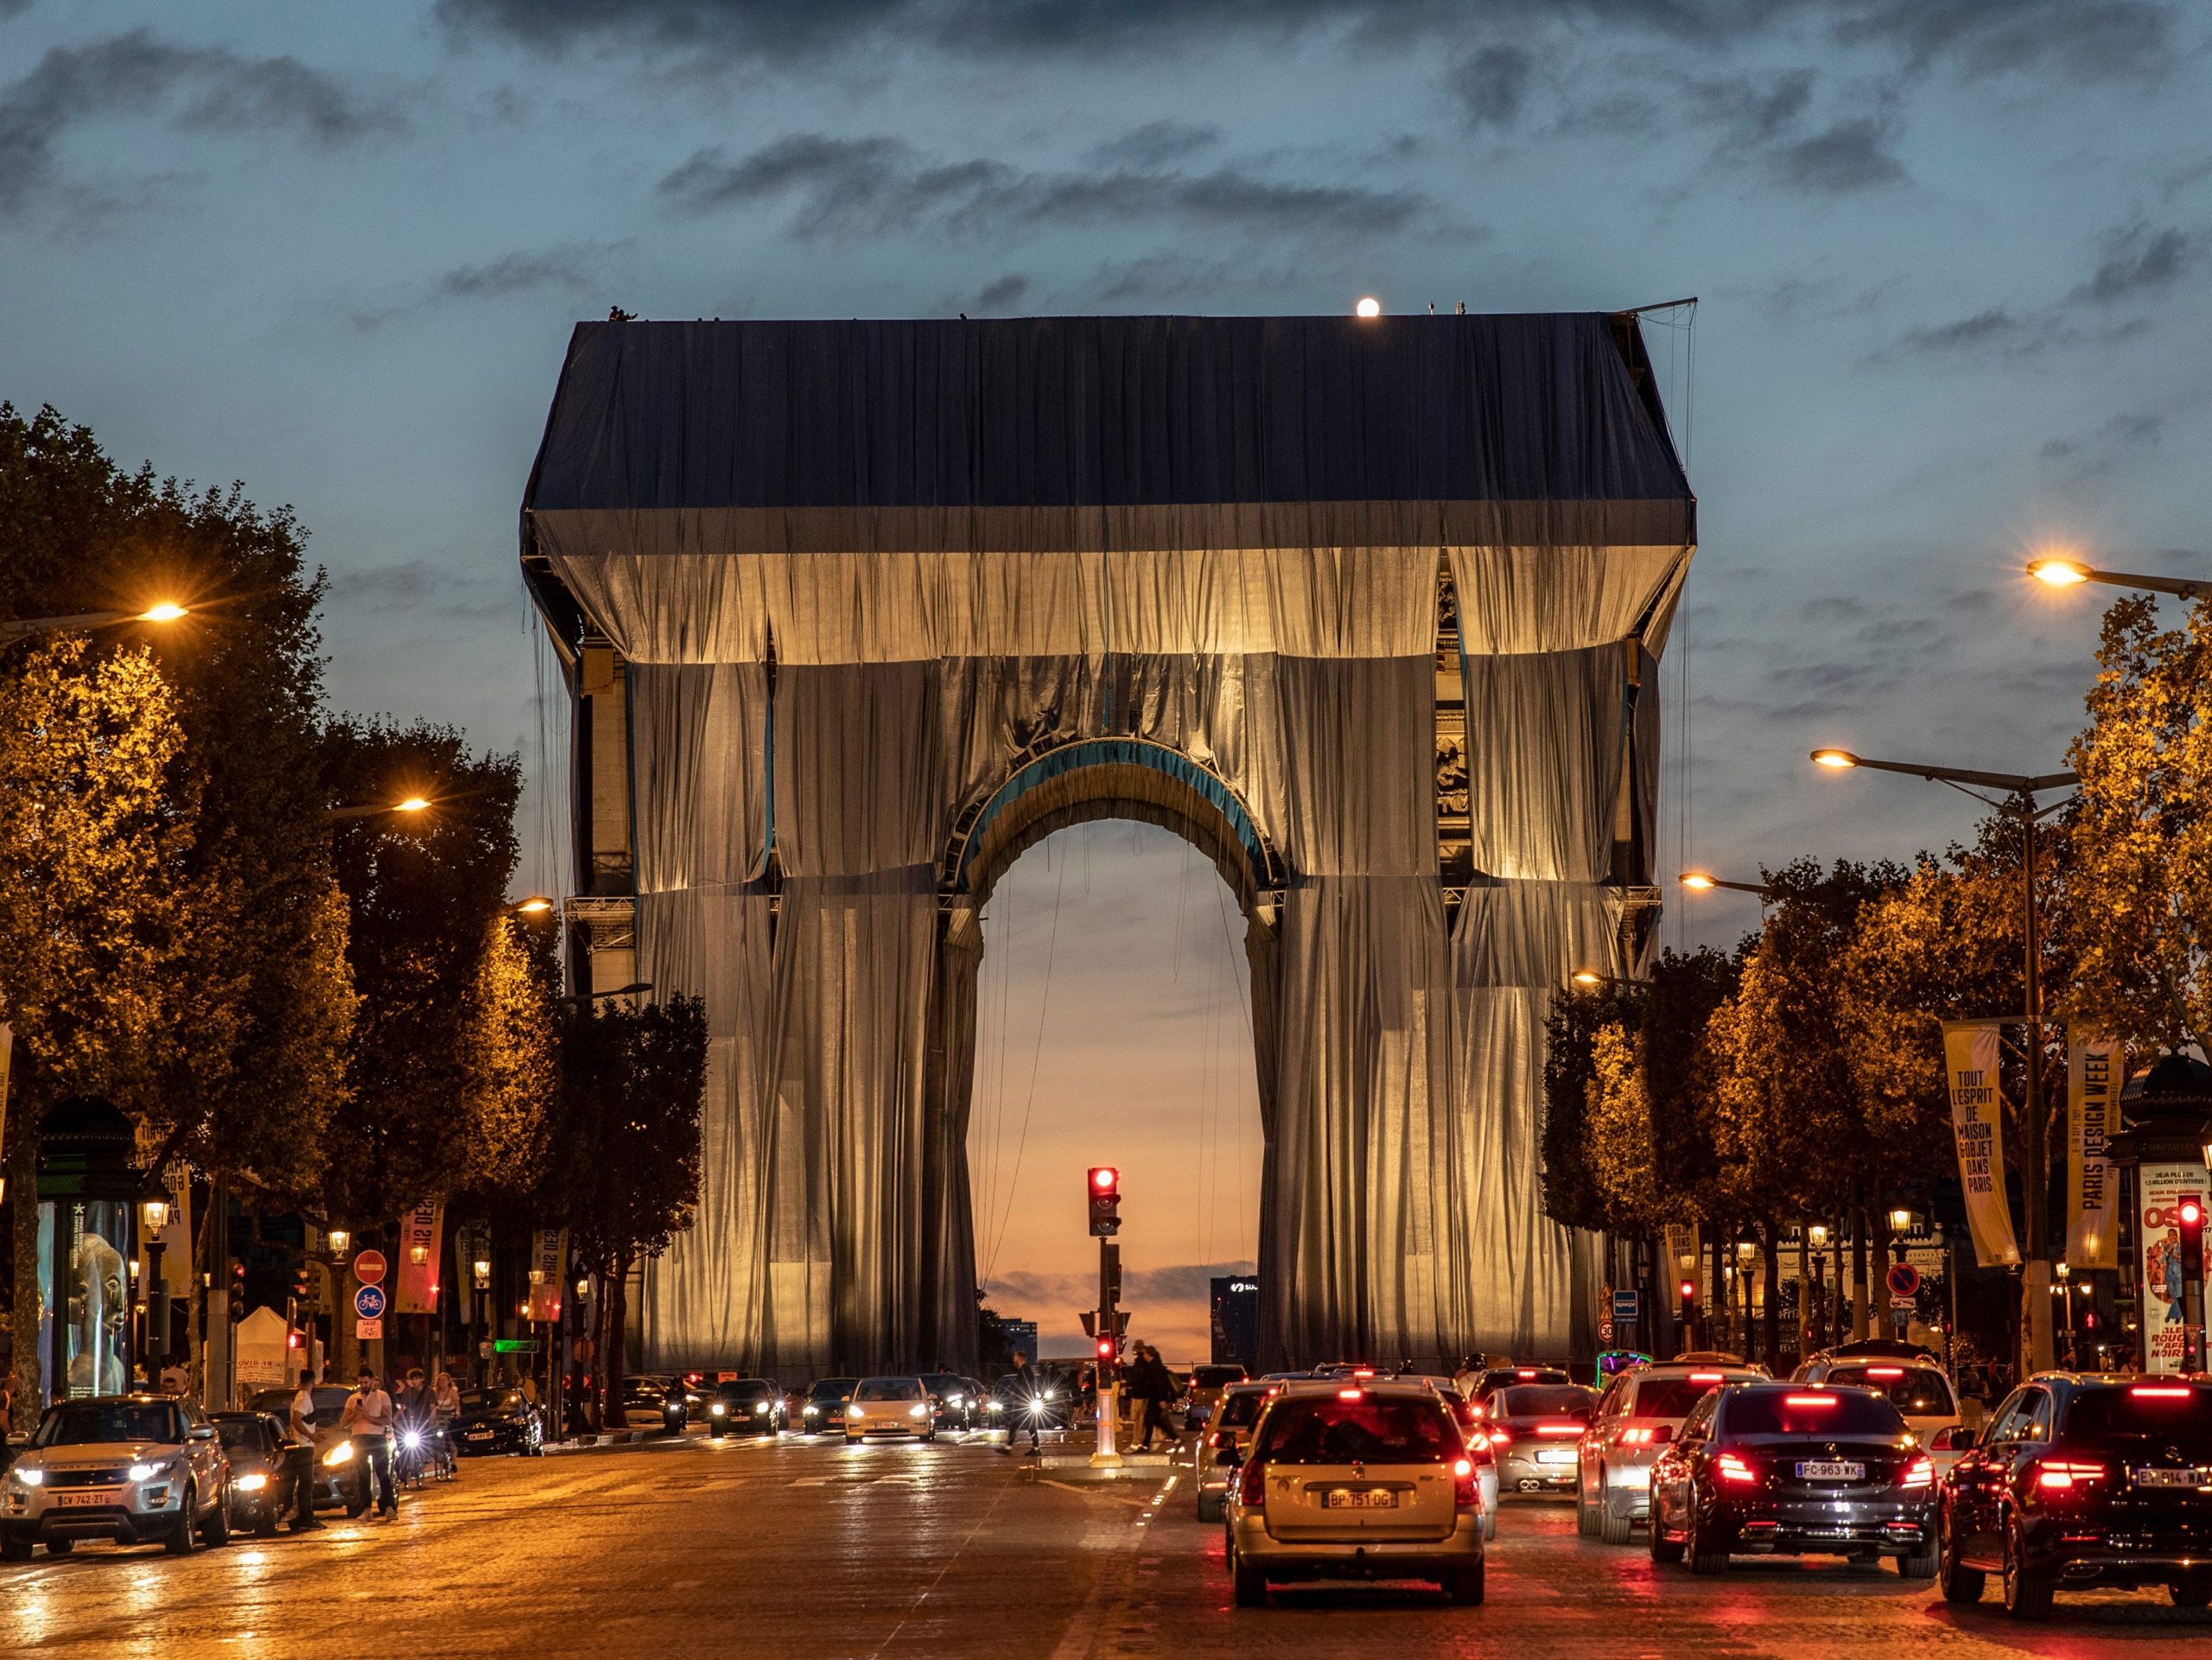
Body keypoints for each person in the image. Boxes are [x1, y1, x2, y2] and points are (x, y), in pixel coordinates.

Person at [340, 1367, 398, 1519]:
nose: (363, 1385)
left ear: (372, 1381)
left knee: (382, 1473)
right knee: (362, 1474)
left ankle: (389, 1507)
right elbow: (343, 1422)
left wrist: (368, 1416)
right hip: (358, 1438)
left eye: (366, 1382)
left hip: (376, 1438)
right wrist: (355, 1414)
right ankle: (366, 1509)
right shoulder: (352, 1399)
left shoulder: (382, 1396)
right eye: (361, 1383)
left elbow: (387, 1420)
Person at [287, 1366, 325, 1532]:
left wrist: (314, 1432)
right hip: (303, 1446)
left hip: (304, 1443)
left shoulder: (301, 1396)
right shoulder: (304, 1397)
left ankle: (303, 1517)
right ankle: (306, 1517)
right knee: (306, 1484)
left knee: (305, 1484)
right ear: (313, 1381)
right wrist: (312, 1436)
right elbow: (297, 1420)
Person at [1007, 1350, 1048, 1455]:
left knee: (1016, 1424)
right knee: (1030, 1426)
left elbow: (1024, 1386)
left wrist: (1015, 1392)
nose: (1013, 1359)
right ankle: (1035, 1448)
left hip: (1023, 1403)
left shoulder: (1025, 1371)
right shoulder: (1025, 1370)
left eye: (1015, 1357)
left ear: (1019, 1358)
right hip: (1026, 1402)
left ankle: (1008, 1447)